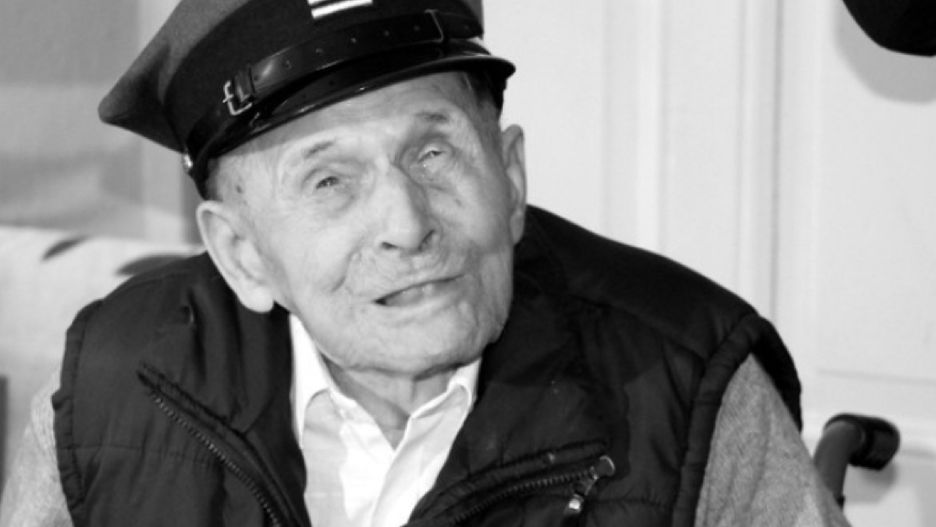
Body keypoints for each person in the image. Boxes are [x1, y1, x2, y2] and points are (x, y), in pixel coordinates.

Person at [0, 0, 848, 525]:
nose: (406, 225)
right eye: (330, 181)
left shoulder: (690, 387)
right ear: (242, 253)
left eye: (434, 153)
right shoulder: (109, 389)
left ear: (511, 177)